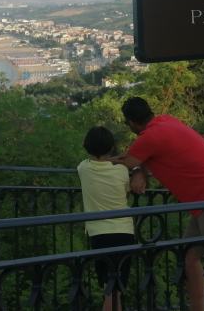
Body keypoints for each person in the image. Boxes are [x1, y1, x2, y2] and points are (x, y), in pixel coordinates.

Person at [114, 97, 204, 311]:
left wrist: (98, 164)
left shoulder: (149, 137)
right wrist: (140, 170)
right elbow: (142, 158)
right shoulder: (166, 121)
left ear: (131, 122)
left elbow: (126, 160)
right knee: (190, 258)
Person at [77, 126, 136, 311]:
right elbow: (127, 192)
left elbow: (96, 161)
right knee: (116, 290)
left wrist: (108, 159)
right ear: (111, 147)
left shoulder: (83, 168)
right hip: (123, 232)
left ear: (87, 146)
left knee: (109, 288)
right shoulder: (121, 172)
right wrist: (116, 160)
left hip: (99, 235)